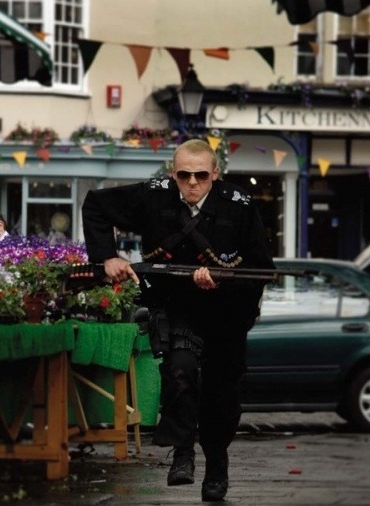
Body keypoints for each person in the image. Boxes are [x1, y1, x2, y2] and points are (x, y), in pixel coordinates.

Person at [81, 139, 274, 502]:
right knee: (180, 372)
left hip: (226, 312)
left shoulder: (240, 206)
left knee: (222, 393)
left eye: (201, 175)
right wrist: (107, 257)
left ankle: (217, 463)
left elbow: (262, 269)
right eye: (184, 175)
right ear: (174, 173)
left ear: (215, 174)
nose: (192, 183)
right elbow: (96, 206)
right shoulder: (154, 195)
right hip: (176, 305)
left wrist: (221, 279)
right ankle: (183, 451)